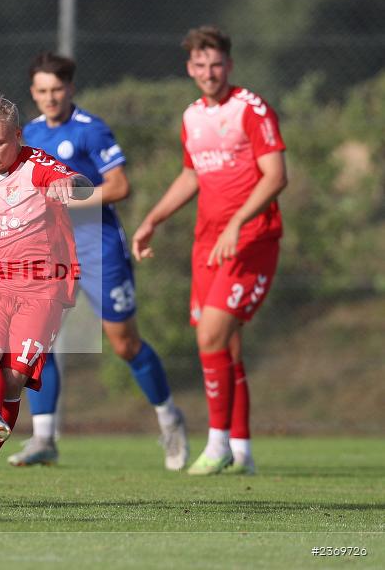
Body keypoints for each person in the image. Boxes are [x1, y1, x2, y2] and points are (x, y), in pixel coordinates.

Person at [9, 52, 189, 471]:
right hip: (50, 250)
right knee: (35, 341)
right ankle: (44, 438)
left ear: (70, 88)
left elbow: (121, 185)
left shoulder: (90, 130)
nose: (50, 98)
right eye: (42, 91)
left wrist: (72, 199)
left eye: (57, 89)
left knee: (125, 344)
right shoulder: (29, 134)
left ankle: (170, 419)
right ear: (33, 93)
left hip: (98, 247)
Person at [131, 26, 288, 476]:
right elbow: (192, 175)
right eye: (200, 65)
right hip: (208, 243)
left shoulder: (250, 108)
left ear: (229, 66)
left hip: (250, 239)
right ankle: (242, 451)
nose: (209, 73)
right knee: (226, 346)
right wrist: (153, 219)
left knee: (211, 338)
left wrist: (238, 222)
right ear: (190, 68)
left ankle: (217, 445)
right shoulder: (192, 116)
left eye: (216, 64)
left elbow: (276, 176)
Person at [0, 96, 90, 507]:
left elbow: (79, 183)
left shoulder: (38, 166)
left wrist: (70, 185)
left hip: (41, 288)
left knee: (12, 382)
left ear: (18, 136)